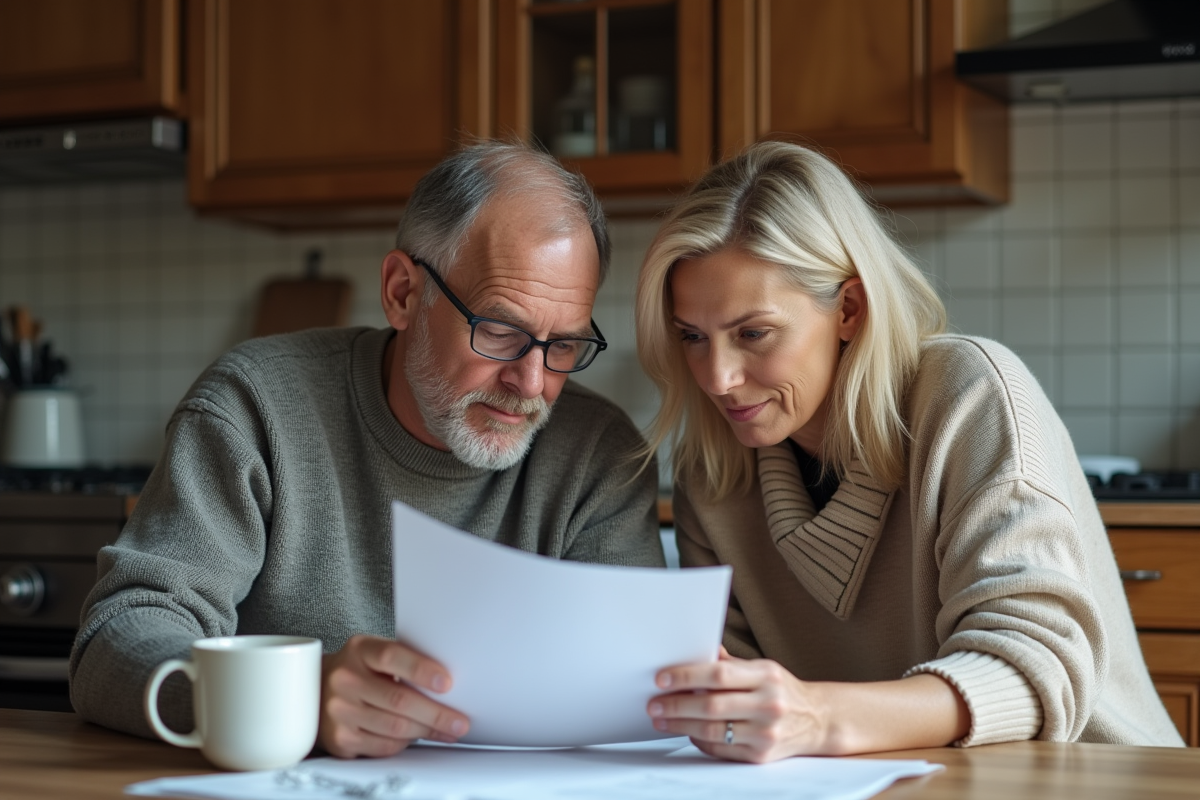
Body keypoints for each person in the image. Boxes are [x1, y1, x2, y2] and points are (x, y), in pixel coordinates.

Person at [70, 140, 664, 758]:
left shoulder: (600, 455)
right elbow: (114, 642)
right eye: (500, 331)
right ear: (403, 293)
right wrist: (292, 700)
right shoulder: (254, 407)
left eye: (563, 346)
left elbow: (630, 691)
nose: (533, 383)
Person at [633, 140, 1182, 763]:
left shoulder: (969, 393)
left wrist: (815, 717)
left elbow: (1034, 672)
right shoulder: (713, 468)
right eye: (693, 337)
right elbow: (738, 703)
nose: (717, 377)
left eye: (753, 334)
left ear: (849, 308)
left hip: (1085, 777)